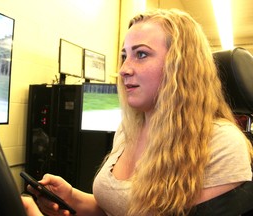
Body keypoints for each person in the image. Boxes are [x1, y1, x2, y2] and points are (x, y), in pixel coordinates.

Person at [22, 8, 253, 216]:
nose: (123, 70)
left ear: (180, 66)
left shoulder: (222, 144)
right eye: (125, 56)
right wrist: (72, 197)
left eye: (141, 54)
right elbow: (114, 209)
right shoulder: (128, 128)